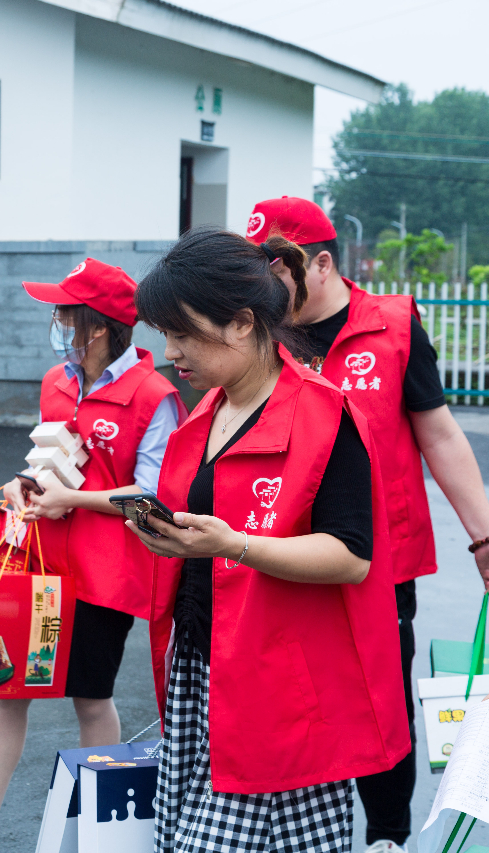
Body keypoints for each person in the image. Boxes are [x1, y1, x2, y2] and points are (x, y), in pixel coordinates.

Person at [129, 227, 410, 853]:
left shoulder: (325, 414)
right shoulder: (206, 412)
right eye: (164, 334)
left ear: (241, 323)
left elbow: (350, 557)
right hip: (201, 670)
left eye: (181, 332)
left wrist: (235, 546)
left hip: (282, 694)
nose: (171, 351)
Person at [0, 259, 184, 853]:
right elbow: (43, 458)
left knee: (91, 696)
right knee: (7, 689)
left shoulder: (154, 395)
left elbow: (153, 495)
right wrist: (22, 483)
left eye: (66, 311)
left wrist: (75, 499)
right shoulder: (55, 381)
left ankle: (98, 829)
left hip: (104, 577)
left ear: (99, 324)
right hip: (36, 563)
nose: (57, 319)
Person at [249, 196, 489, 853]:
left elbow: (439, 434)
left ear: (320, 264)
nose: (261, 286)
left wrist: (485, 534)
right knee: (293, 696)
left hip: (384, 557)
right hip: (284, 551)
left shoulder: (394, 326)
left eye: (273, 269)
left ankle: (386, 835)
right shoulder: (258, 337)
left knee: (379, 699)